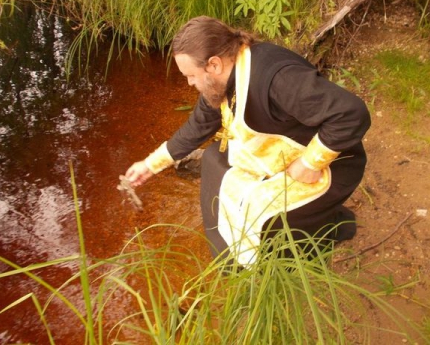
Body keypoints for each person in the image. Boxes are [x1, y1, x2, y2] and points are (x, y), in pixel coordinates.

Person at [124, 16, 371, 265]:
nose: (189, 82)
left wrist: (309, 164)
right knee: (213, 161)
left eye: (190, 75)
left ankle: (302, 252)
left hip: (333, 166)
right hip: (283, 152)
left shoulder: (278, 79)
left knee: (263, 215)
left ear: (214, 64)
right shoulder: (224, 78)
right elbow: (198, 126)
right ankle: (235, 255)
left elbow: (351, 114)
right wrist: (150, 165)